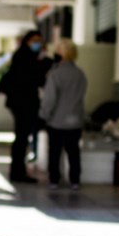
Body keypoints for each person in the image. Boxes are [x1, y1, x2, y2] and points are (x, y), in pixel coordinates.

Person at [2, 30, 53, 183]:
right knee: (21, 138)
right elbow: (34, 78)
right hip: (23, 104)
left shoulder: (26, 56)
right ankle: (18, 173)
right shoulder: (24, 57)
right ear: (27, 41)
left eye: (40, 40)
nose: (37, 44)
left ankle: (18, 171)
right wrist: (45, 62)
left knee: (22, 138)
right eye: (34, 40)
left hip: (22, 103)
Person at [40, 38, 87, 190]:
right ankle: (75, 180)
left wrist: (44, 115)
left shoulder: (55, 74)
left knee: (55, 152)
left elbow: (50, 99)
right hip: (76, 120)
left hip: (57, 121)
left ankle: (54, 179)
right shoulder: (80, 74)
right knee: (73, 152)